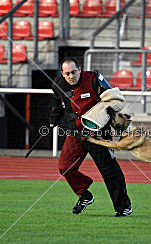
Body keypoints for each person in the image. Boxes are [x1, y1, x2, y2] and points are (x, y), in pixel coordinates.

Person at [49, 57, 132, 217]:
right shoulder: (58, 85)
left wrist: (112, 113)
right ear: (62, 74)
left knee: (109, 170)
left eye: (74, 72)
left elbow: (113, 98)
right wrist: (54, 120)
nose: (71, 76)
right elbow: (57, 104)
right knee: (65, 166)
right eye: (67, 74)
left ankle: (124, 207)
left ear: (80, 69)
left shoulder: (94, 79)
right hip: (75, 132)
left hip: (98, 133)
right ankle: (85, 195)